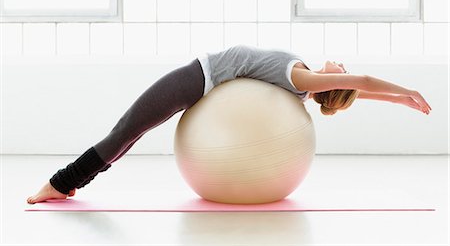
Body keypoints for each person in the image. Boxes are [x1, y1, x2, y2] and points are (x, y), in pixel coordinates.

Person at [26, 45, 432, 204]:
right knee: (130, 133)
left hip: (196, 78)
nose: (341, 64)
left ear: (332, 83)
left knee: (126, 129)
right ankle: (73, 182)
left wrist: (407, 88)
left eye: (342, 70)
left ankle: (59, 183)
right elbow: (360, 90)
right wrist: (400, 99)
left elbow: (358, 83)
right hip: (200, 84)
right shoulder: (304, 85)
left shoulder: (304, 81)